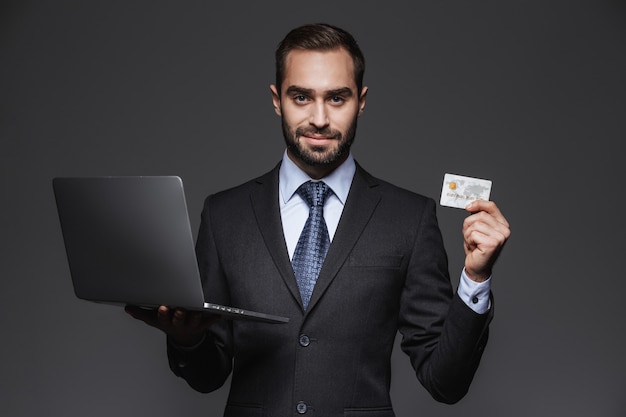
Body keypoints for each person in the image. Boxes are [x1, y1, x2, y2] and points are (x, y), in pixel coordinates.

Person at [126, 22, 510, 416]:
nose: (320, 119)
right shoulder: (225, 215)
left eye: (337, 98)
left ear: (361, 101)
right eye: (301, 97)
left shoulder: (409, 219)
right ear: (277, 100)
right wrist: (187, 340)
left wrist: (475, 279)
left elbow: (445, 382)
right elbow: (208, 376)